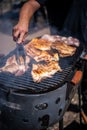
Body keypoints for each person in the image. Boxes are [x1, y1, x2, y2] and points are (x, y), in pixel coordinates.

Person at [12, 0, 87, 116]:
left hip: (83, 43)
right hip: (57, 45)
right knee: (61, 80)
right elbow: (31, 4)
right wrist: (23, 21)